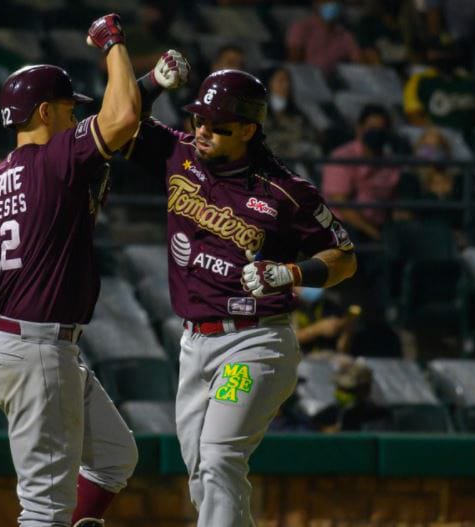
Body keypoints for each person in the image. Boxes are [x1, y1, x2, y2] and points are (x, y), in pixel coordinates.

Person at [128, 65, 357, 524]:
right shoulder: (181, 153)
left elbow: (344, 259)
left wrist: (290, 272)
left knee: (217, 458)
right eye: (199, 120)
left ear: (250, 129)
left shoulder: (284, 191)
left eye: (219, 125)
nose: (204, 131)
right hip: (193, 342)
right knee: (201, 468)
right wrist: (152, 81)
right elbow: (117, 116)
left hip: (251, 343)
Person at [0, 14, 141, 527]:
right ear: (45, 111)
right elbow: (124, 116)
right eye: (68, 110)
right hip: (37, 345)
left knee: (113, 456)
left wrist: (151, 84)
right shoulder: (54, 160)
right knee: (44, 509)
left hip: (21, 341)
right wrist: (112, 41)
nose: (74, 119)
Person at [323, 104, 401, 242]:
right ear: (359, 129)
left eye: (381, 129)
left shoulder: (390, 162)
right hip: (346, 227)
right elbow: (342, 205)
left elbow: (394, 200)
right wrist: (375, 234)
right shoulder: (342, 157)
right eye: (372, 128)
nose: (376, 133)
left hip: (381, 226)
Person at [403, 37, 475, 134]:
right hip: (440, 133)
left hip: (473, 130)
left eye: (447, 51)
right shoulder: (418, 81)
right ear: (429, 54)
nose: (443, 55)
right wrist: (437, 132)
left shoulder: (467, 78)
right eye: (438, 51)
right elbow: (414, 117)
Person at [287, 0, 362, 76]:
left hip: (331, 81)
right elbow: (294, 63)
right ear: (316, 3)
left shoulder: (344, 35)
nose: (331, 4)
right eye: (326, 1)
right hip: (306, 79)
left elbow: (359, 60)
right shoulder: (301, 28)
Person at [264, 67, 321, 158]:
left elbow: (310, 135)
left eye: (288, 81)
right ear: (269, 83)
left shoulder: (297, 113)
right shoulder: (259, 113)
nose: (286, 85)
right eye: (281, 80)